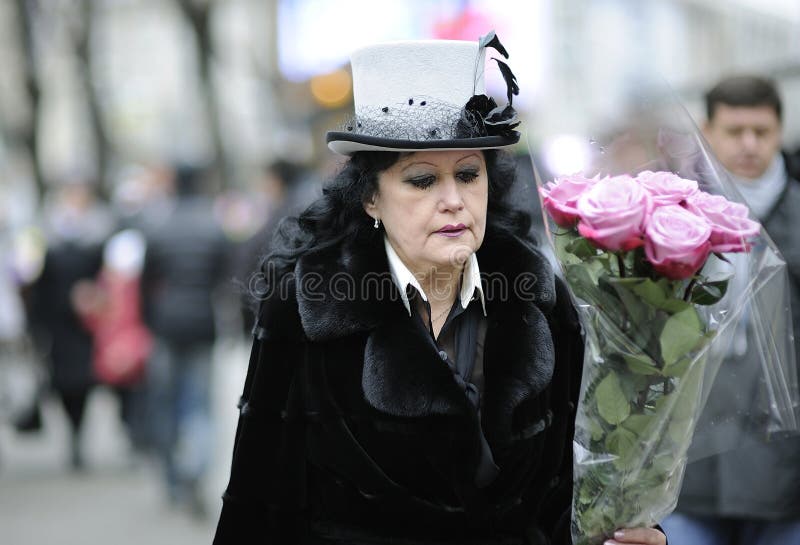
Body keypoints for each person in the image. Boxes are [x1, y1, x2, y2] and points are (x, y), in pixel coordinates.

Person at [214, 33, 666, 545]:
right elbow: (259, 497)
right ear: (371, 200)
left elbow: (574, 486)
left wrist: (636, 532)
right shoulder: (305, 306)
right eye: (422, 180)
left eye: (468, 174)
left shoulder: (541, 299)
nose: (453, 200)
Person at [661, 76, 800, 544]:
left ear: (780, 131)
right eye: (734, 130)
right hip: (691, 463)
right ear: (707, 129)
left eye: (760, 131)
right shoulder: (670, 214)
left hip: (786, 472)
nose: (748, 144)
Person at [140, 164, 230, 514]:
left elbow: (145, 283)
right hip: (202, 324)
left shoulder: (158, 227)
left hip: (165, 324)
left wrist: (149, 320)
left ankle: (173, 475)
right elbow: (226, 279)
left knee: (165, 401)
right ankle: (195, 465)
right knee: (199, 404)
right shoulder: (214, 227)